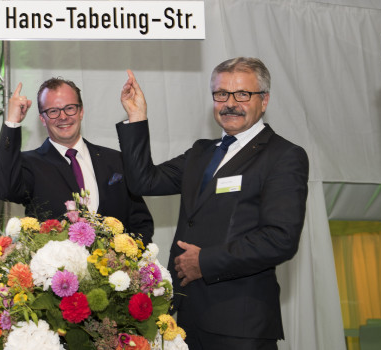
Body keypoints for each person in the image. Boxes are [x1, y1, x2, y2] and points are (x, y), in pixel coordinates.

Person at [116, 57, 309, 349]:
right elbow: (145, 181)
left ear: (264, 100)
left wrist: (205, 262)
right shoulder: (201, 152)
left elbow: (280, 239)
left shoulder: (284, 156)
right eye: (221, 94)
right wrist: (137, 118)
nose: (230, 103)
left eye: (242, 94)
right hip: (186, 318)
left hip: (241, 325)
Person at [0, 77, 154, 245]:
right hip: (58, 270)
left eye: (70, 108)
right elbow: (5, 190)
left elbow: (141, 222)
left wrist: (130, 261)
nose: (63, 117)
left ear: (81, 111)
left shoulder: (116, 160)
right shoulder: (29, 164)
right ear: (42, 119)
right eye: (53, 111)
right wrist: (12, 121)